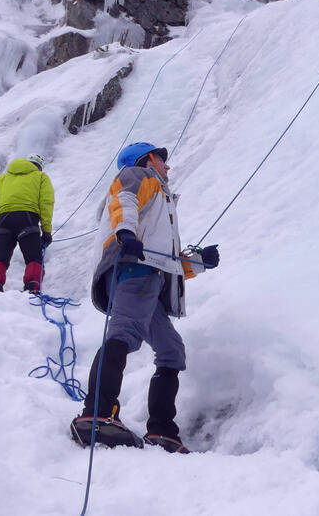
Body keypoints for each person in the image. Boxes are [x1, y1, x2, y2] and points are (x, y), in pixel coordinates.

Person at [70, 143, 220, 454]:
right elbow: (125, 202)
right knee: (124, 331)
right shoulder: (138, 176)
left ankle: (163, 430)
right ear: (148, 160)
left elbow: (165, 258)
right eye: (162, 160)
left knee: (171, 350)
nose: (168, 166)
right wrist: (126, 233)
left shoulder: (159, 199)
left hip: (146, 273)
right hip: (134, 269)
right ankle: (98, 413)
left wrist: (200, 263)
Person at [0, 155, 54, 294]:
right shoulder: (40, 177)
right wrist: (46, 230)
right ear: (38, 166)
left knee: (0, 256)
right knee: (33, 257)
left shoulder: (2, 178)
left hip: (4, 219)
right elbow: (46, 203)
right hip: (27, 218)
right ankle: (32, 289)